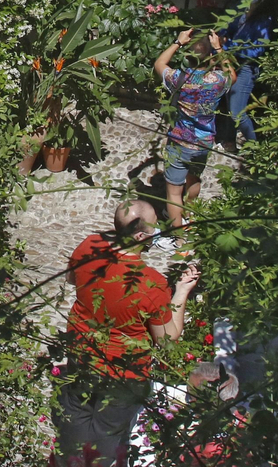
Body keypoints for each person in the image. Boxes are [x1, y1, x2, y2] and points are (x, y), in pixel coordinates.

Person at [54, 199, 201, 467]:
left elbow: (71, 279)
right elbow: (167, 340)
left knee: (75, 417)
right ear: (142, 236)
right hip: (124, 372)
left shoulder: (90, 245)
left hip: (82, 353)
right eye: (156, 224)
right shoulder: (149, 283)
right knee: (107, 431)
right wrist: (181, 292)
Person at [153, 29, 235, 235]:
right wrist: (218, 47)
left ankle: (180, 239)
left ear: (187, 57)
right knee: (194, 178)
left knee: (173, 193)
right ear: (210, 57)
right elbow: (232, 75)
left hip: (180, 142)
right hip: (204, 142)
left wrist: (178, 42)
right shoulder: (217, 80)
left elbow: (159, 64)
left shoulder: (179, 78)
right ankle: (189, 215)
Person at [219, 0, 276, 148]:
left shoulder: (264, 21)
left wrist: (229, 46)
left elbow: (258, 49)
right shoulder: (240, 12)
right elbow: (228, 30)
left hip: (246, 67)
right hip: (231, 63)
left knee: (237, 112)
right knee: (229, 103)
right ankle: (229, 140)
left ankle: (255, 148)